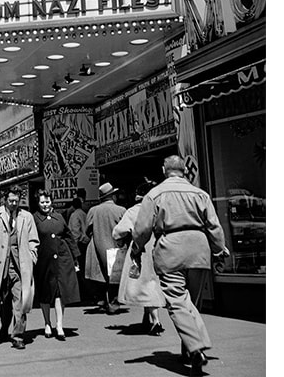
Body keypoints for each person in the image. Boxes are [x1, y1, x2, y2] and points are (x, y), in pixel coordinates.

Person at [132, 156, 229, 376]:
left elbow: (142, 229)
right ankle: (189, 349)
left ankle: (196, 346)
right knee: (191, 302)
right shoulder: (200, 194)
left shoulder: (154, 194)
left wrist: (137, 248)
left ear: (163, 170)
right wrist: (218, 250)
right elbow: (214, 226)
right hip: (199, 250)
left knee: (176, 300)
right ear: (184, 170)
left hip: (170, 249)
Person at [0, 187, 39, 350]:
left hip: (20, 265)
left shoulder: (26, 217)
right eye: (11, 201)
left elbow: (33, 240)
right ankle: (4, 325)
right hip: (0, 266)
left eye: (16, 201)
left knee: (20, 300)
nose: (14, 204)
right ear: (4, 200)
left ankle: (18, 335)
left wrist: (31, 257)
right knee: (4, 301)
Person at [112, 189, 165, 335]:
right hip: (160, 248)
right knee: (153, 283)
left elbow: (119, 231)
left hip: (140, 249)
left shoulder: (134, 211)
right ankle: (146, 319)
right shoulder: (160, 208)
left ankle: (155, 320)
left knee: (145, 284)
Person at [32, 191, 80, 341]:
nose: (45, 205)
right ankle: (47, 323)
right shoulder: (34, 219)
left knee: (60, 292)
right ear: (38, 203)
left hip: (61, 259)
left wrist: (75, 256)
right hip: (43, 261)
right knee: (46, 293)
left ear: (51, 202)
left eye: (47, 202)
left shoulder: (59, 217)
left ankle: (59, 325)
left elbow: (68, 236)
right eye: (42, 202)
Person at [85, 182, 127, 315]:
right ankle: (114, 303)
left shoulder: (93, 210)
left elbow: (87, 230)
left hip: (98, 246)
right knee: (115, 277)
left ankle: (102, 301)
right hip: (115, 246)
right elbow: (126, 230)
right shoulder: (121, 210)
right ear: (113, 196)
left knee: (100, 276)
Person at [67, 196, 91, 300]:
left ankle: (83, 292)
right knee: (85, 268)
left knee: (79, 269)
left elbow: (75, 232)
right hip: (86, 242)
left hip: (79, 244)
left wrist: (74, 247)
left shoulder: (74, 215)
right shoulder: (84, 213)